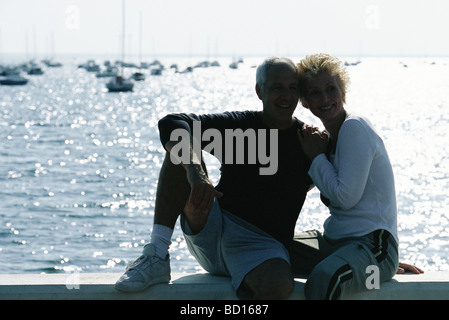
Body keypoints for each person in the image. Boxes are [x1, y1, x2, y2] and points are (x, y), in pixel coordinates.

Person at [115, 57, 314, 299]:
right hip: (211, 227)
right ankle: (156, 253)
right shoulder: (239, 128)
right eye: (277, 88)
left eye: (293, 88)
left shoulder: (308, 143)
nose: (286, 96)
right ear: (259, 91)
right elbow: (172, 122)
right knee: (182, 147)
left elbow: (344, 188)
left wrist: (321, 157)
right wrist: (196, 172)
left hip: (261, 248)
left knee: (279, 284)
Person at [290, 53, 423, 300]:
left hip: (373, 246)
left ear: (344, 92)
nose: (325, 98)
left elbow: (345, 197)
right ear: (305, 102)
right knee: (271, 246)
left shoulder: (355, 127)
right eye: (315, 93)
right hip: (337, 244)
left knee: (325, 277)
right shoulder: (328, 140)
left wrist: (316, 158)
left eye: (331, 89)